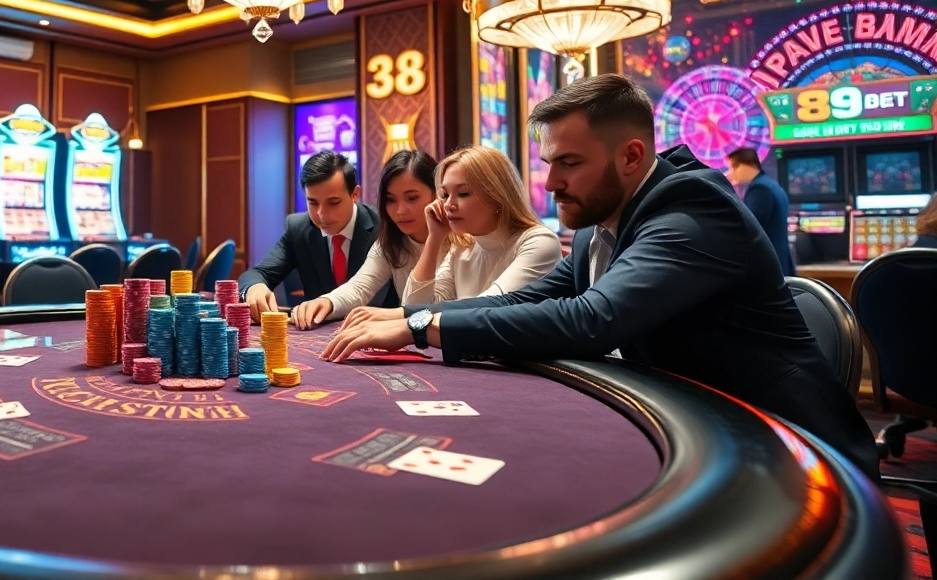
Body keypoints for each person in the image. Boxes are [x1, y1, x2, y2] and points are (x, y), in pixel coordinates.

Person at [322, 74, 878, 478]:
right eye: (549, 164)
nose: (551, 184)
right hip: (701, 424)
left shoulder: (692, 213)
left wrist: (420, 328)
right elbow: (525, 300)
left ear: (631, 156)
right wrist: (411, 315)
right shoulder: (599, 224)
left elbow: (593, 319)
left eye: (570, 163)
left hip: (792, 451)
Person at [291, 150, 438, 330]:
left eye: (412, 198)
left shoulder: (462, 243)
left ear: (437, 193)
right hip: (415, 337)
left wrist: (389, 315)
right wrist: (327, 301)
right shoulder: (389, 243)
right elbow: (360, 287)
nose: (400, 210)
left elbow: (455, 310)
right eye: (391, 200)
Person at [238, 150, 392, 322]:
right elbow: (257, 274)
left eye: (333, 203)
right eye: (312, 203)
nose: (321, 214)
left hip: (378, 330)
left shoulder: (385, 227)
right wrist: (254, 287)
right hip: (316, 333)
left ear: (355, 194)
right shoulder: (298, 228)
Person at [400, 146, 559, 305]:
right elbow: (413, 307)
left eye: (463, 193)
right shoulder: (462, 247)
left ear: (497, 197)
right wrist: (434, 238)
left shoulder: (539, 241)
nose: (447, 205)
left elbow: (488, 308)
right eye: (445, 195)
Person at [726, 147, 795, 275]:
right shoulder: (771, 184)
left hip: (768, 267)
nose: (731, 172)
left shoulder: (759, 189)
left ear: (751, 165)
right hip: (780, 263)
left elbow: (749, 228)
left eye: (735, 167)